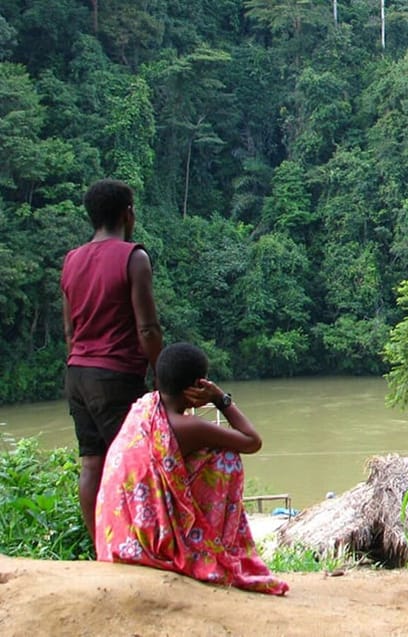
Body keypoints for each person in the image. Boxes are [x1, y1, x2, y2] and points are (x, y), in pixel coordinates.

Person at [95, 342, 289, 595]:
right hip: (149, 547)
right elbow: (252, 442)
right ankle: (206, 544)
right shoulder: (188, 427)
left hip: (114, 539)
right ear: (198, 386)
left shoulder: (144, 408)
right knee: (226, 457)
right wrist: (221, 399)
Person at [61, 178, 163, 541]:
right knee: (137, 459)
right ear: (128, 213)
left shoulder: (71, 261)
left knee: (92, 460)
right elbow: (147, 328)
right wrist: (161, 375)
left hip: (77, 373)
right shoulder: (133, 257)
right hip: (116, 374)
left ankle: (100, 547)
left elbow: (70, 331)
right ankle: (138, 544)